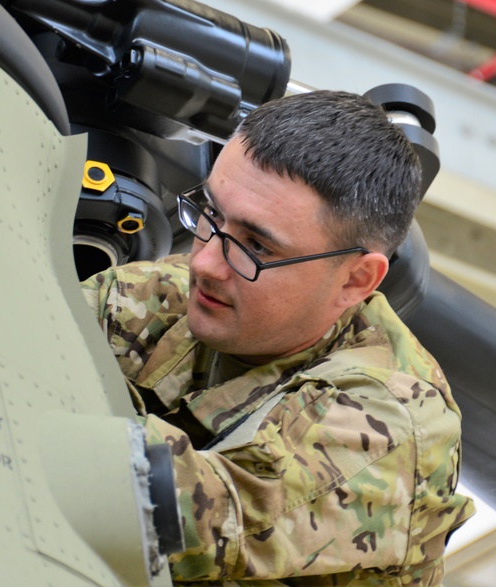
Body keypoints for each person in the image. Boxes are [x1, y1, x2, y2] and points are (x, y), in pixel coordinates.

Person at [82, 90, 474, 585]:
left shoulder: (391, 419)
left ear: (355, 280)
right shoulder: (175, 294)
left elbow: (179, 516)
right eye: (211, 212)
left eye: (258, 245)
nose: (203, 262)